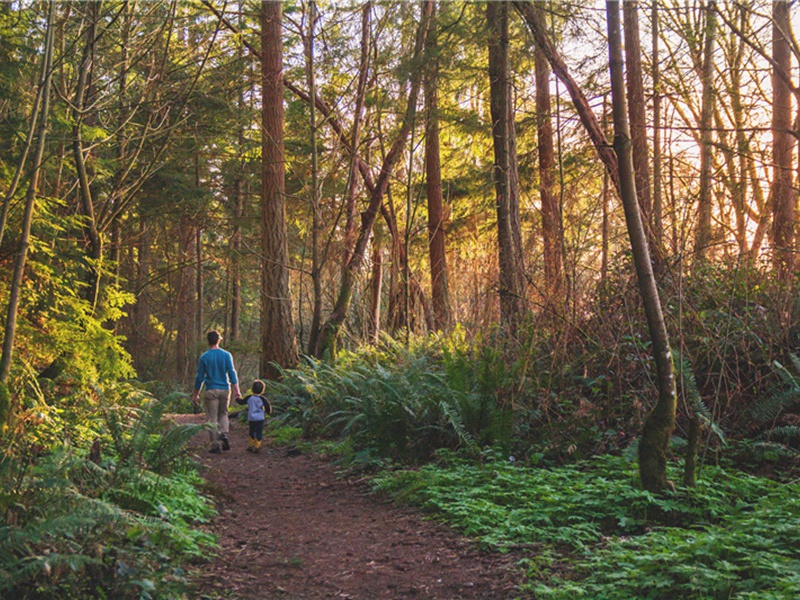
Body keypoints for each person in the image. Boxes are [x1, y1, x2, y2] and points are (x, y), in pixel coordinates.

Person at [192, 330, 241, 454]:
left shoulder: (204, 357)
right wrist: (237, 391)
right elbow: (232, 373)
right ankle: (223, 434)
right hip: (225, 389)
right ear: (219, 340)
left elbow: (200, 377)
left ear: (208, 341)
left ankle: (215, 445)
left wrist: (196, 393)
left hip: (211, 390)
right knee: (223, 413)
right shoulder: (226, 355)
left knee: (212, 418)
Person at [236, 379, 272, 454]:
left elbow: (241, 402)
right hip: (260, 418)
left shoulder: (249, 398)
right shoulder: (262, 399)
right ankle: (257, 446)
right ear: (262, 390)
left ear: (252, 389)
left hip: (251, 418)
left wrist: (237, 398)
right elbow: (267, 406)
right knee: (259, 432)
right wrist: (269, 412)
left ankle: (251, 445)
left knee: (251, 431)